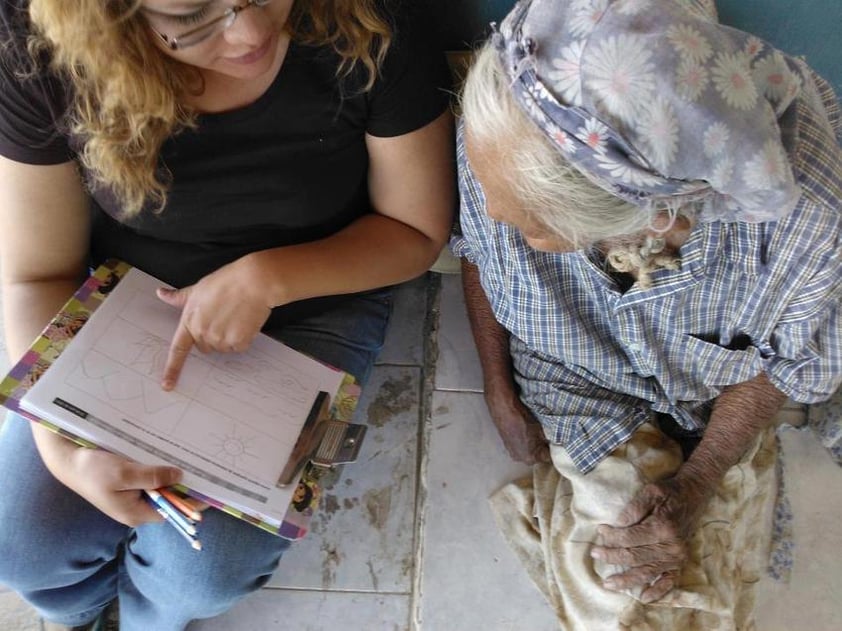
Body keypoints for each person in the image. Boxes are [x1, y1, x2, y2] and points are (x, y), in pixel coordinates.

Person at [0, 0, 454, 629]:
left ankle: (147, 620)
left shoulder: (370, 21)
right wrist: (63, 451)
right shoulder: (40, 47)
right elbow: (35, 273)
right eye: (190, 18)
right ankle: (79, 610)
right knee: (23, 547)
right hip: (125, 296)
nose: (251, 33)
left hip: (318, 289)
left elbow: (416, 231)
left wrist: (271, 278)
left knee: (203, 573)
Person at [452, 0, 841, 626]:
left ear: (650, 222)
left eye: (530, 223)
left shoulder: (806, 222)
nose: (500, 217)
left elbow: (787, 360)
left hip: (713, 387)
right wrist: (498, 384)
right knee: (616, 602)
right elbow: (477, 243)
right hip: (574, 376)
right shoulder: (513, 112)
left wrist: (698, 481)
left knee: (689, 590)